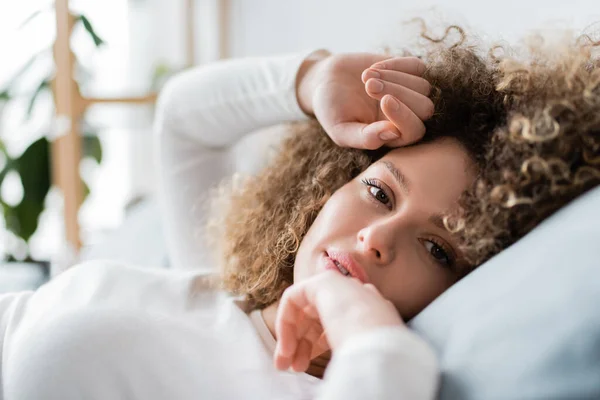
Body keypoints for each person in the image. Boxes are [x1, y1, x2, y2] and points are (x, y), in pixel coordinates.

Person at [0, 26, 597, 400]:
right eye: (381, 193)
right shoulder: (221, 282)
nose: (376, 238)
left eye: (438, 249)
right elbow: (183, 117)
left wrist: (358, 321)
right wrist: (312, 81)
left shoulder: (357, 377)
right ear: (331, 184)